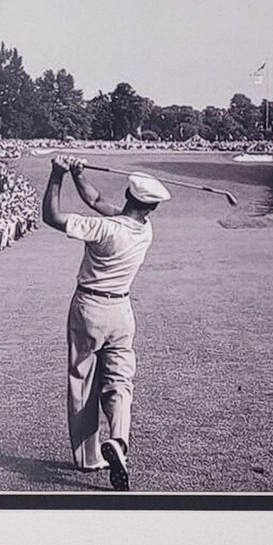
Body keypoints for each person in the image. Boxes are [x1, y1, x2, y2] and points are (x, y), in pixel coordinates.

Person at [41, 155, 170, 491]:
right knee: (120, 381)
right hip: (121, 311)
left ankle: (89, 457)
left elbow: (52, 216)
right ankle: (118, 439)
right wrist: (79, 174)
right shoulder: (145, 230)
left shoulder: (104, 229)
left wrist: (57, 175)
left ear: (128, 195)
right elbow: (96, 199)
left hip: (89, 307)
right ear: (152, 207)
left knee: (83, 381)